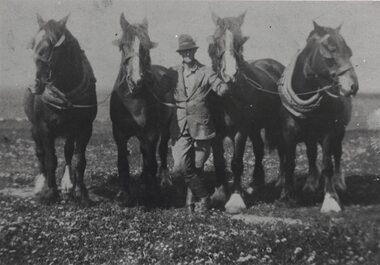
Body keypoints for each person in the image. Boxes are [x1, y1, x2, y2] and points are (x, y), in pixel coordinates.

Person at [162, 34, 230, 213]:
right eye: (184, 51)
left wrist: (223, 88)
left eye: (190, 50)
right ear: (180, 53)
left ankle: (192, 204)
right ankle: (204, 197)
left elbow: (217, 84)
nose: (187, 54)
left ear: (194, 51)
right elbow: (160, 87)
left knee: (198, 167)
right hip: (180, 126)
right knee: (180, 168)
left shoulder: (206, 71)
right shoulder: (172, 72)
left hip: (202, 127)